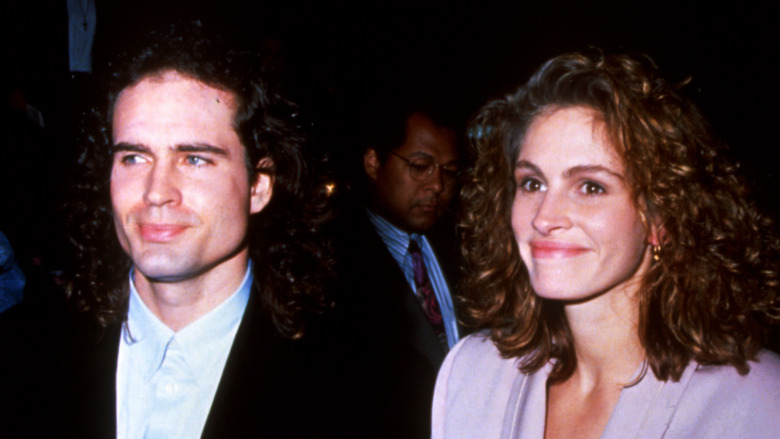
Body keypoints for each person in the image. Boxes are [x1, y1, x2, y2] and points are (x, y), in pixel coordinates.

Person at [1, 20, 341, 438]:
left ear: (258, 186)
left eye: (194, 159)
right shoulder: (19, 354)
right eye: (134, 158)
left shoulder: (351, 389)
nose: (156, 192)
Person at [433, 51, 780, 439]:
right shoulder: (470, 375)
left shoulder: (753, 402)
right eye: (532, 183)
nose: (544, 217)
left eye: (591, 187)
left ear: (661, 218)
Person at [330, 101, 464, 438]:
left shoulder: (462, 247)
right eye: (420, 166)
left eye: (448, 171)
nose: (437, 185)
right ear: (373, 162)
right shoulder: (332, 261)